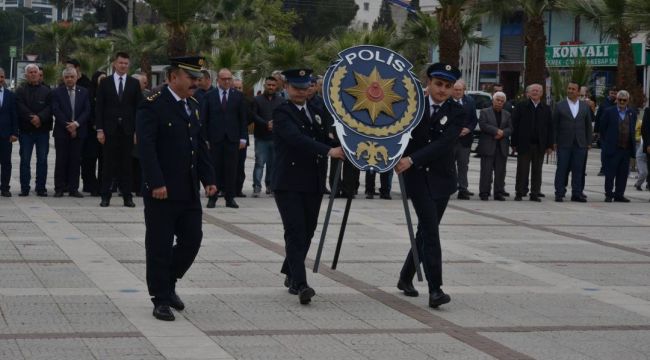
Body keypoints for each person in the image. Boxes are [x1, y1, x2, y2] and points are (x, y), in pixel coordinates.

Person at [136, 56, 217, 321]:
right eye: (190, 77)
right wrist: (156, 182)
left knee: (192, 240)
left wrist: (209, 179)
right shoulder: (153, 105)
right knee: (159, 244)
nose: (196, 82)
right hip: (162, 191)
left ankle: (168, 281)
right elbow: (146, 148)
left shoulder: (192, 105)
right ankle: (160, 298)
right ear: (173, 78)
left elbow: (199, 145)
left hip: (188, 190)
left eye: (197, 78)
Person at [394, 63, 464, 308]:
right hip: (417, 178)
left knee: (425, 230)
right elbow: (396, 131)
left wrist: (411, 158)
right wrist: (395, 156)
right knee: (431, 231)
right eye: (439, 84)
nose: (443, 90)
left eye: (448, 86)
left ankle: (405, 277)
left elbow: (444, 144)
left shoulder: (458, 111)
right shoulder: (413, 105)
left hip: (442, 179)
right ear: (429, 83)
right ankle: (436, 289)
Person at [272, 68, 344, 305]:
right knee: (295, 231)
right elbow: (296, 139)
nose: (301, 92)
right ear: (286, 88)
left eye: (305, 88)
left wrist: (344, 141)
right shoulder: (282, 111)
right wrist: (328, 151)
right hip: (289, 181)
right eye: (296, 88)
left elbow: (326, 135)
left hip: (313, 181)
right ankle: (300, 283)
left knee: (309, 230)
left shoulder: (316, 110)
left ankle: (290, 270)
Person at [95, 52, 143, 207]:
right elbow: (99, 108)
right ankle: (105, 196)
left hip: (128, 131)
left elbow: (139, 109)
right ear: (115, 64)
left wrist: (137, 131)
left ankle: (127, 196)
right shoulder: (105, 82)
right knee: (108, 165)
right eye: (121, 63)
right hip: (109, 130)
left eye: (126, 63)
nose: (123, 66)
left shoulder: (134, 84)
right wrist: (100, 130)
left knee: (126, 165)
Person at [201, 68, 247, 209]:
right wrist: (205, 139)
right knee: (214, 169)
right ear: (218, 80)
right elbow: (204, 119)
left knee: (231, 169)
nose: (227, 81)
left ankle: (230, 198)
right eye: (224, 79)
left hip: (232, 139)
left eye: (229, 79)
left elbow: (242, 119)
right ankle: (212, 198)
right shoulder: (210, 96)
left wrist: (243, 138)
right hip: (215, 139)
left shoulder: (238, 96)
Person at [51, 67, 90, 198]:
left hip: (79, 131)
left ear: (76, 77)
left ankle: (74, 188)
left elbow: (87, 110)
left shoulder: (84, 92)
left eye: (72, 77)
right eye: (67, 77)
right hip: (62, 131)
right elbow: (56, 110)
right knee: (61, 160)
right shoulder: (57, 92)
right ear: (63, 78)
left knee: (75, 160)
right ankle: (59, 188)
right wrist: (68, 125)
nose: (69, 79)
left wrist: (76, 124)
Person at [511, 83, 553, 202]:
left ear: (541, 93)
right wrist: (513, 144)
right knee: (522, 170)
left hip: (539, 145)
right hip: (524, 144)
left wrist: (550, 145)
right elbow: (515, 125)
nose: (535, 92)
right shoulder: (521, 106)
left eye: (538, 90)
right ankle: (519, 192)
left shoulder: (546, 108)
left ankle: (534, 193)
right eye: (533, 90)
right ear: (528, 93)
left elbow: (550, 128)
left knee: (537, 171)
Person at [552, 82, 593, 202]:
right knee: (562, 169)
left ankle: (577, 193)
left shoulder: (584, 106)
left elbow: (588, 126)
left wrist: (589, 142)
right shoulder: (559, 105)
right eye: (569, 88)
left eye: (573, 89)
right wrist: (554, 141)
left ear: (578, 91)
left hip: (580, 144)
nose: (570, 90)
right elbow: (554, 126)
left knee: (578, 169)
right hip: (564, 143)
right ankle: (559, 193)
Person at [15, 63, 52, 197]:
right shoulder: (20, 90)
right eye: (30, 72)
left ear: (39, 74)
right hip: (26, 131)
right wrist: (32, 118)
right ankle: (25, 188)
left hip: (42, 131)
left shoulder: (47, 90)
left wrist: (40, 118)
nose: (33, 74)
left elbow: (50, 107)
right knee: (25, 160)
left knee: (42, 160)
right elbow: (20, 106)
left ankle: (41, 187)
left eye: (35, 72)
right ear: (26, 75)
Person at [599, 90, 637, 202]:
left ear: (627, 101)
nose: (621, 102)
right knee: (610, 174)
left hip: (626, 149)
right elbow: (602, 129)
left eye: (624, 100)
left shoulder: (632, 113)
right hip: (612, 148)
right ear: (617, 100)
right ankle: (609, 194)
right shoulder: (609, 112)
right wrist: (606, 144)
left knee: (623, 174)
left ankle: (619, 194)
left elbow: (632, 129)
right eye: (620, 99)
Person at [251, 76, 283, 197]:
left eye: (273, 85)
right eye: (268, 85)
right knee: (259, 163)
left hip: (275, 137)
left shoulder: (281, 100)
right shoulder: (257, 100)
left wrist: (274, 123)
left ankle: (270, 186)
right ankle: (257, 187)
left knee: (273, 164)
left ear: (276, 87)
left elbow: (282, 115)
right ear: (265, 85)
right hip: (261, 137)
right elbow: (253, 115)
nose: (270, 87)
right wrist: (266, 124)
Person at [477, 92, 512, 201]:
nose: (499, 102)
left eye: (502, 101)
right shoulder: (484, 112)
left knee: (500, 172)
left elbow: (511, 128)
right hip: (488, 145)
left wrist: (503, 133)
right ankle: (484, 192)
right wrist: (497, 131)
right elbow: (483, 125)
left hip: (502, 147)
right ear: (493, 100)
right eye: (498, 100)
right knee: (486, 172)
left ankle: (498, 192)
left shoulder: (507, 114)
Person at [81, 71, 107, 196]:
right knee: (89, 160)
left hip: (106, 133)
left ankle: (103, 186)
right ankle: (90, 185)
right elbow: (87, 110)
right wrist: (95, 125)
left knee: (104, 160)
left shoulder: (108, 93)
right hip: (91, 133)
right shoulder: (89, 93)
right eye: (101, 79)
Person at [451, 79, 477, 200]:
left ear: (464, 90)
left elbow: (474, 119)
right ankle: (449, 188)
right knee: (448, 165)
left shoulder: (470, 101)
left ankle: (463, 189)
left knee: (463, 166)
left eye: (459, 90)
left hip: (465, 140)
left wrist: (468, 129)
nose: (457, 92)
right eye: (455, 90)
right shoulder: (446, 101)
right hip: (449, 140)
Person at [0, 67, 18, 197]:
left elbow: (14, 115)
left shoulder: (10, 95)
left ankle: (5, 188)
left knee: (6, 163)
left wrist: (14, 133)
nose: (0, 79)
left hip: (6, 136)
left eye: (1, 77)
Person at [232, 78, 250, 197]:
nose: (238, 90)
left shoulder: (245, 100)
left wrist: (243, 138)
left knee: (240, 165)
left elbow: (246, 119)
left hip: (241, 138)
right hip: (229, 138)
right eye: (235, 88)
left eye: (240, 88)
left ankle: (238, 189)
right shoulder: (227, 100)